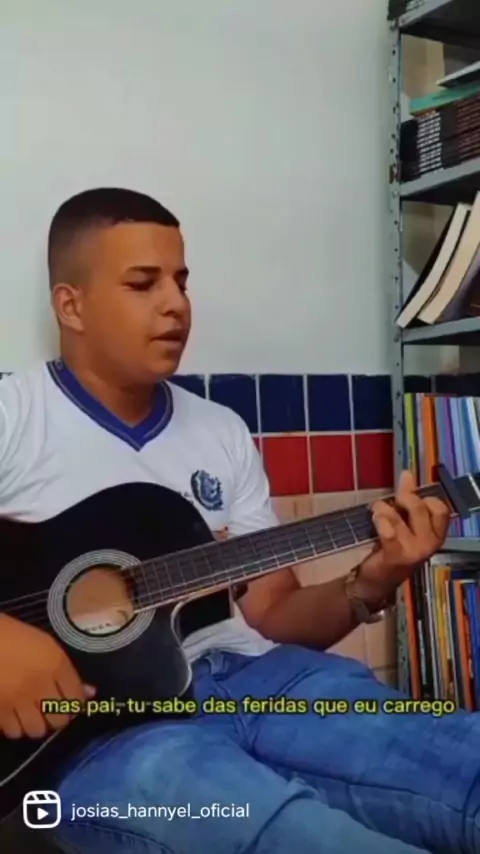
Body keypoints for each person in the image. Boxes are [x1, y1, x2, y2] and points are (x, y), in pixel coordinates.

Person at [0, 187, 477, 854]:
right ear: (70, 305)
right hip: (104, 730)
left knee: (457, 759)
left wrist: (373, 580)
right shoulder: (14, 416)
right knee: (306, 839)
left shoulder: (221, 430)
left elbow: (273, 614)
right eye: (143, 283)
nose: (176, 303)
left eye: (181, 280)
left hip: (262, 681)